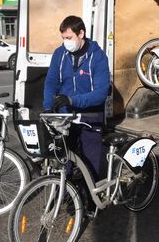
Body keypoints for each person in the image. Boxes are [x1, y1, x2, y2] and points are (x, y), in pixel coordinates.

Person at [43, 15, 110, 182]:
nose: (66, 42)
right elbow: (51, 82)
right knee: (65, 160)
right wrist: (48, 107)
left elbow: (101, 93)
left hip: (90, 117)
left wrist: (72, 101)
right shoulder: (60, 54)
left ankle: (91, 204)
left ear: (81, 34)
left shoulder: (98, 57)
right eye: (63, 38)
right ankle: (66, 196)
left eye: (69, 37)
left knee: (90, 163)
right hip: (66, 116)